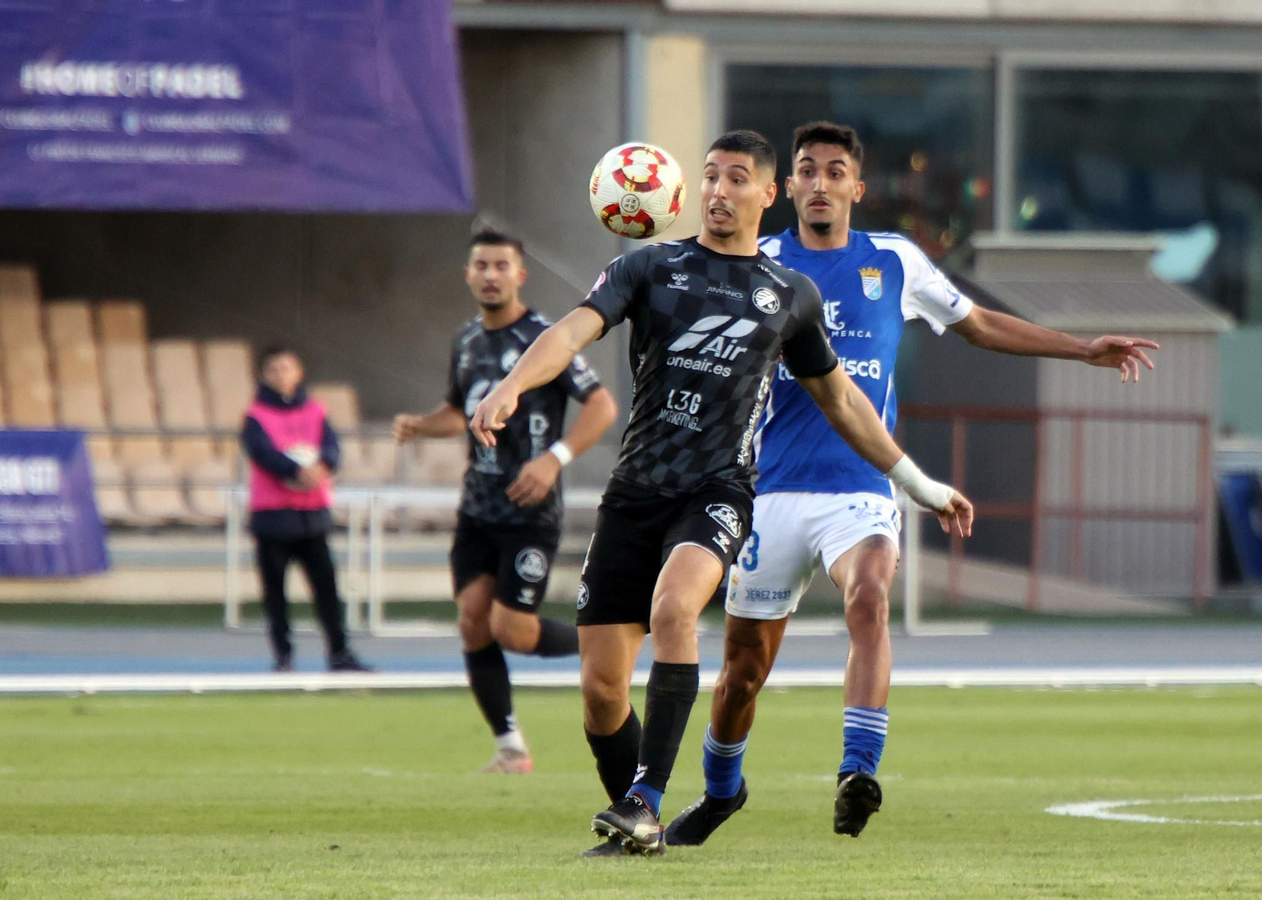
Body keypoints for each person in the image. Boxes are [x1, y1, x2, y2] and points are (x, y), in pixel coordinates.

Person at [469, 129, 974, 857]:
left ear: (768, 196)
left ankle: (647, 798)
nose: (718, 190)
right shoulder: (650, 266)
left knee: (675, 609)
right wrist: (511, 386)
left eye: (737, 179)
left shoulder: (786, 295)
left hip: (720, 490)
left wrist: (918, 484)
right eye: (709, 176)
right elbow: (571, 331)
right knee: (602, 691)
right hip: (636, 490)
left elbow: (842, 402)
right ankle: (635, 820)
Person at [664, 121, 1160, 845]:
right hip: (768, 490)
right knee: (741, 672)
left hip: (862, 484)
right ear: (789, 188)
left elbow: (980, 323)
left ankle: (857, 771)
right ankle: (720, 791)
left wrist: (1082, 348)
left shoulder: (894, 261)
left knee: (869, 598)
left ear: (856, 189)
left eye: (837, 171)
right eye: (808, 170)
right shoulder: (760, 261)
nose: (822, 182)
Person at [393, 228, 617, 774]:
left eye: (501, 265)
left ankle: (606, 644)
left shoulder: (546, 339)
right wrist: (423, 426)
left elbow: (602, 406)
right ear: (468, 274)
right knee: (472, 621)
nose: (490, 274)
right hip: (479, 506)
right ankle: (510, 747)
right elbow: (460, 410)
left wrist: (553, 459)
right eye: (481, 265)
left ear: (521, 274)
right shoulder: (467, 339)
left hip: (529, 509)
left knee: (512, 630)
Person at [241, 345, 371, 673]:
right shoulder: (256, 416)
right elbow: (262, 453)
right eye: (274, 369)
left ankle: (339, 652)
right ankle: (283, 656)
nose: (281, 375)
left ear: (299, 372)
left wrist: (322, 467)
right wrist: (294, 470)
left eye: (287, 368)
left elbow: (332, 448)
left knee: (327, 588)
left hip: (312, 514)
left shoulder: (315, 411)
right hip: (273, 514)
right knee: (275, 592)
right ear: (263, 375)